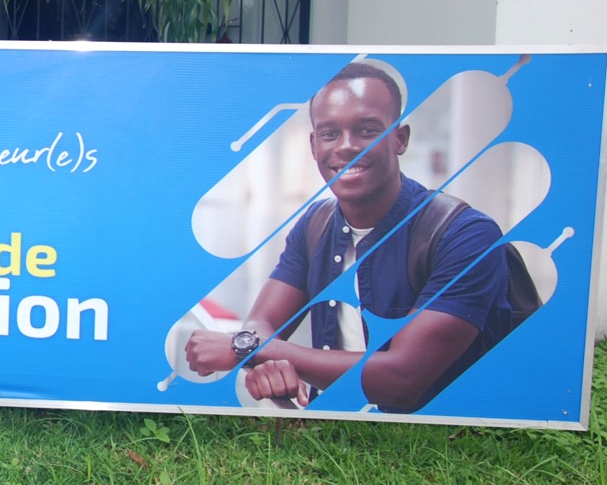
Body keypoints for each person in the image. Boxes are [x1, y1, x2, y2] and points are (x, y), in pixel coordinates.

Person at [185, 61, 522, 413]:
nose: (346, 146)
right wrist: (267, 360)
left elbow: (403, 379)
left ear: (400, 138)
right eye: (330, 133)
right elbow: (263, 324)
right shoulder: (315, 224)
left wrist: (250, 350)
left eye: (366, 130)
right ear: (314, 144)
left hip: (438, 436)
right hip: (333, 429)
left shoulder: (464, 234)